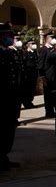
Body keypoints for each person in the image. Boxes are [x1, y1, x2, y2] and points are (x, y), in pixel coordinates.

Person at [0, 22, 21, 171]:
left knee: (9, 129)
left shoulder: (8, 52)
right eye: (7, 35)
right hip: (2, 99)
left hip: (11, 97)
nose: (11, 38)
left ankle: (4, 156)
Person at [37, 31, 56, 118]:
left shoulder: (54, 49)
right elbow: (40, 64)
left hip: (55, 75)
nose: (53, 40)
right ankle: (49, 112)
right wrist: (42, 77)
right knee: (48, 95)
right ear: (46, 39)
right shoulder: (43, 50)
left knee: (54, 95)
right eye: (51, 38)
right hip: (47, 76)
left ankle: (53, 110)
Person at [9, 31, 25, 123]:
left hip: (19, 80)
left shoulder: (19, 51)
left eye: (19, 39)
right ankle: (12, 119)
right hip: (12, 82)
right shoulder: (9, 51)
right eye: (17, 39)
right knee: (12, 102)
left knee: (18, 101)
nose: (19, 41)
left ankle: (15, 118)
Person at [22, 38, 39, 110]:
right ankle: (26, 103)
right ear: (28, 45)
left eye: (34, 43)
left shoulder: (35, 52)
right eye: (32, 44)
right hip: (27, 74)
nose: (34, 45)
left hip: (33, 74)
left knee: (32, 89)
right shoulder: (25, 53)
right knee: (27, 89)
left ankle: (30, 101)